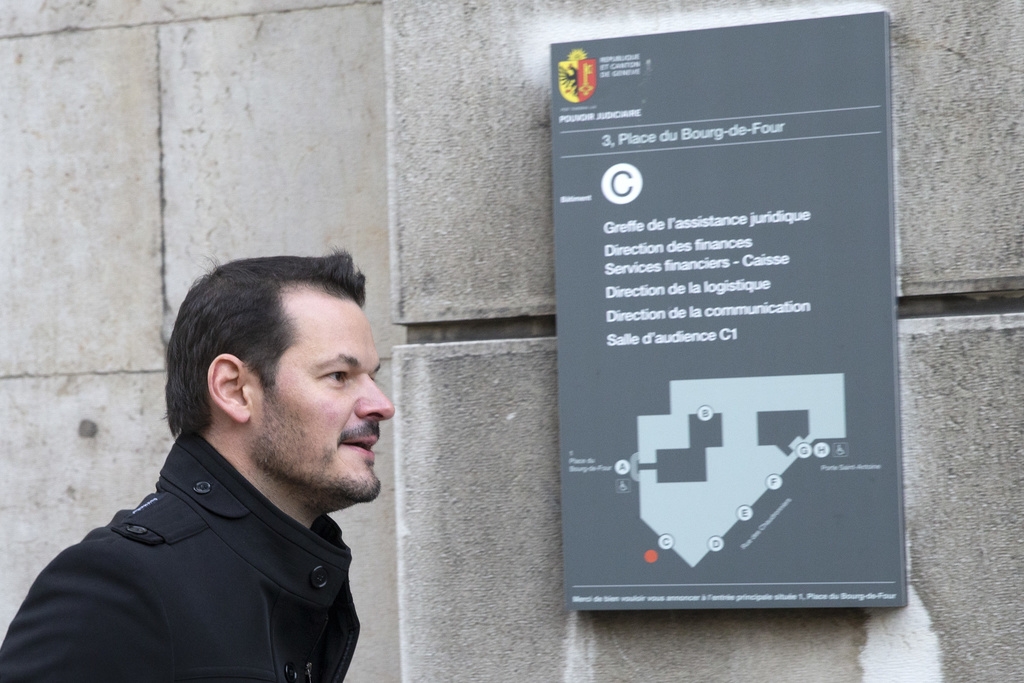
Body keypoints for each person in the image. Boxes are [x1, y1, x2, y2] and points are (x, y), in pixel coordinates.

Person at [0, 252, 395, 682]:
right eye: (339, 375)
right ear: (234, 389)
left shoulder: (294, 579)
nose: (381, 405)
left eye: (373, 376)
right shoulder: (121, 584)